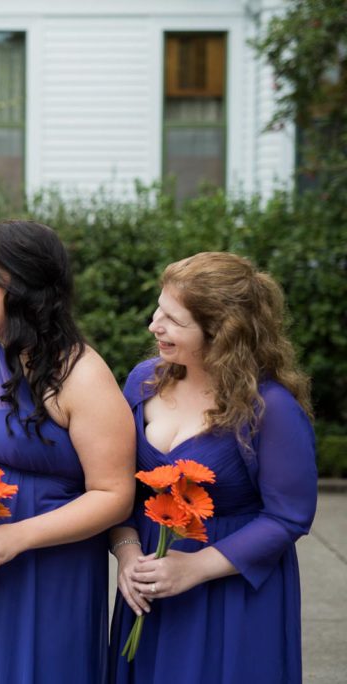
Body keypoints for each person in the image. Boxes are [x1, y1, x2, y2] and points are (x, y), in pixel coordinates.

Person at [0, 220, 136, 684]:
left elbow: (114, 493)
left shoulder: (81, 374)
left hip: (42, 571)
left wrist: (15, 537)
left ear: (22, 283)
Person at [108, 252, 317, 684]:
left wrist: (195, 566)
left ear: (222, 332)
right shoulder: (143, 380)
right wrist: (128, 554)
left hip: (233, 591)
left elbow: (289, 515)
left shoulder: (271, 407)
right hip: (150, 582)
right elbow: (119, 484)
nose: (154, 325)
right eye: (158, 309)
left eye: (173, 319)